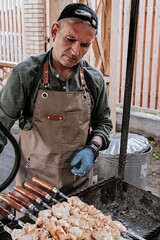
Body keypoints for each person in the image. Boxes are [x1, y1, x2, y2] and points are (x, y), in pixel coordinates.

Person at [0, 3, 113, 194]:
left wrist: (93, 148)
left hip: (78, 185)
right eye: (70, 39)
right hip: (32, 185)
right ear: (55, 31)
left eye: (84, 45)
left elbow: (103, 123)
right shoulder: (26, 75)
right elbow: (1, 123)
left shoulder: (95, 80)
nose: (76, 51)